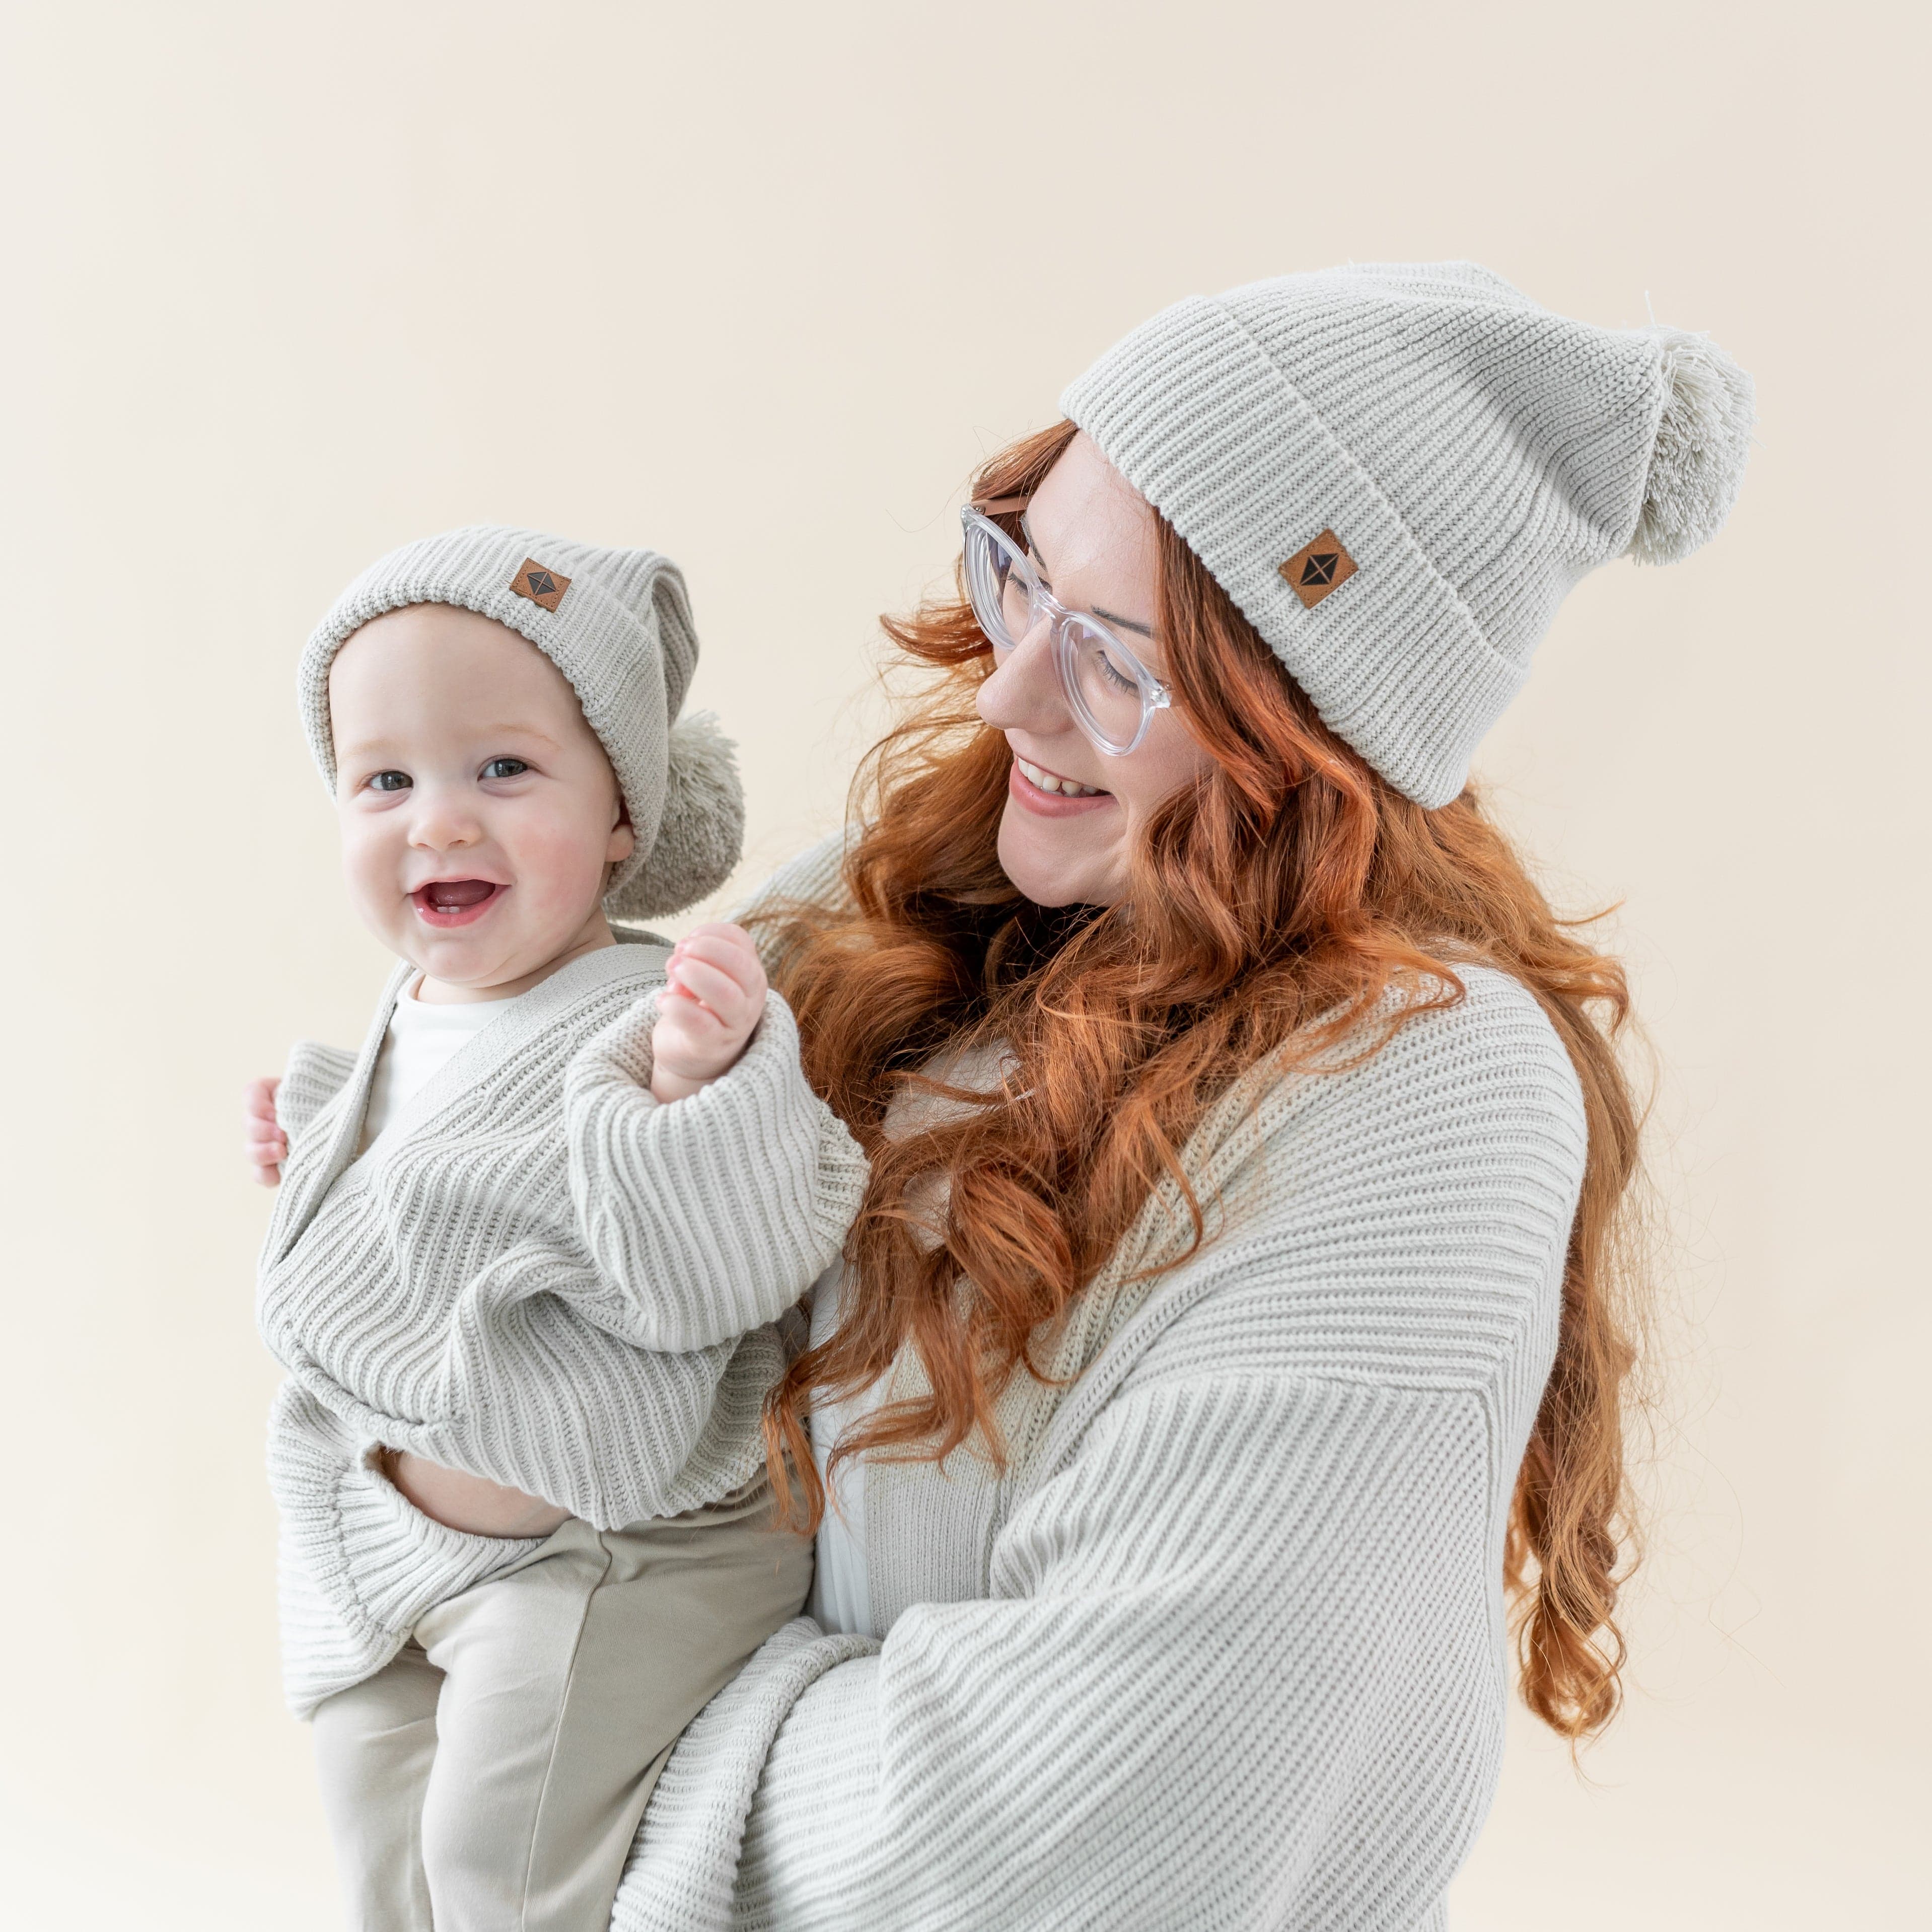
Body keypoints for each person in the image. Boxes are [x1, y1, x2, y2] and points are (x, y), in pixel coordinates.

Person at [608, 262, 1756, 1929]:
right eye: (1017, 578)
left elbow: (1076, 1842)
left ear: (1315, 733)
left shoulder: (1425, 1099)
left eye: (1119, 662)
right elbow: (472, 1369)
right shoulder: (889, 929)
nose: (1007, 694)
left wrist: (584, 1751)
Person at [243, 526, 866, 1931]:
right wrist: (321, 1133)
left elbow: (727, 1253)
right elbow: (436, 1190)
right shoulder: (416, 1007)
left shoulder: (642, 1023)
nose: (439, 821)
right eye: (385, 780)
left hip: (606, 1550)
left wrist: (709, 1096)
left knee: (499, 1866)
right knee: (377, 1831)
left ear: (624, 818)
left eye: (503, 771)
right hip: (408, 1528)